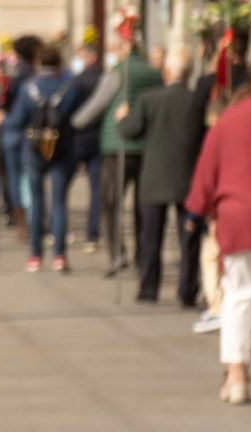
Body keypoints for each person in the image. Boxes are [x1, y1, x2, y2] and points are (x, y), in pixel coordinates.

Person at [185, 48, 251, 406]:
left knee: (238, 295)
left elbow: (207, 168)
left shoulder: (230, 118)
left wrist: (196, 210)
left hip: (237, 215)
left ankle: (238, 374)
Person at [71, 29, 161, 276]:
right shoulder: (154, 75)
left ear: (124, 48)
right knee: (143, 207)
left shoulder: (117, 74)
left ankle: (117, 254)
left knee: (110, 203)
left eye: (115, 46)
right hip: (147, 146)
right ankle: (143, 256)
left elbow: (95, 107)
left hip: (117, 146)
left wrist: (74, 121)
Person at [117, 48, 200, 307]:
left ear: (166, 73)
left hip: (154, 176)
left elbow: (131, 130)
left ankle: (149, 286)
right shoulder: (196, 101)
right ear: (188, 74)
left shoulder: (149, 99)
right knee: (189, 237)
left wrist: (121, 118)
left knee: (151, 235)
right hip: (187, 176)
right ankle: (187, 289)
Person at [6, 44, 82, 273]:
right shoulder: (69, 88)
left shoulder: (29, 88)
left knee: (37, 202)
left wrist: (3, 121)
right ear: (59, 63)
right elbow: (77, 118)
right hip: (62, 148)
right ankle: (59, 255)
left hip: (34, 149)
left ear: (39, 64)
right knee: (59, 203)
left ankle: (35, 255)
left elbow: (17, 120)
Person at [0, 36, 40, 230]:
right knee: (29, 175)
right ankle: (32, 217)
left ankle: (20, 219)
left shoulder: (12, 75)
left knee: (14, 177)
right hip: (31, 129)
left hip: (12, 129)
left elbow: (2, 101)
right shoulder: (35, 75)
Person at [69, 42, 105, 252]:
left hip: (78, 138)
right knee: (96, 189)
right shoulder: (104, 78)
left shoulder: (78, 80)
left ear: (91, 56)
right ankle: (92, 234)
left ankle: (60, 229)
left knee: (62, 185)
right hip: (98, 138)